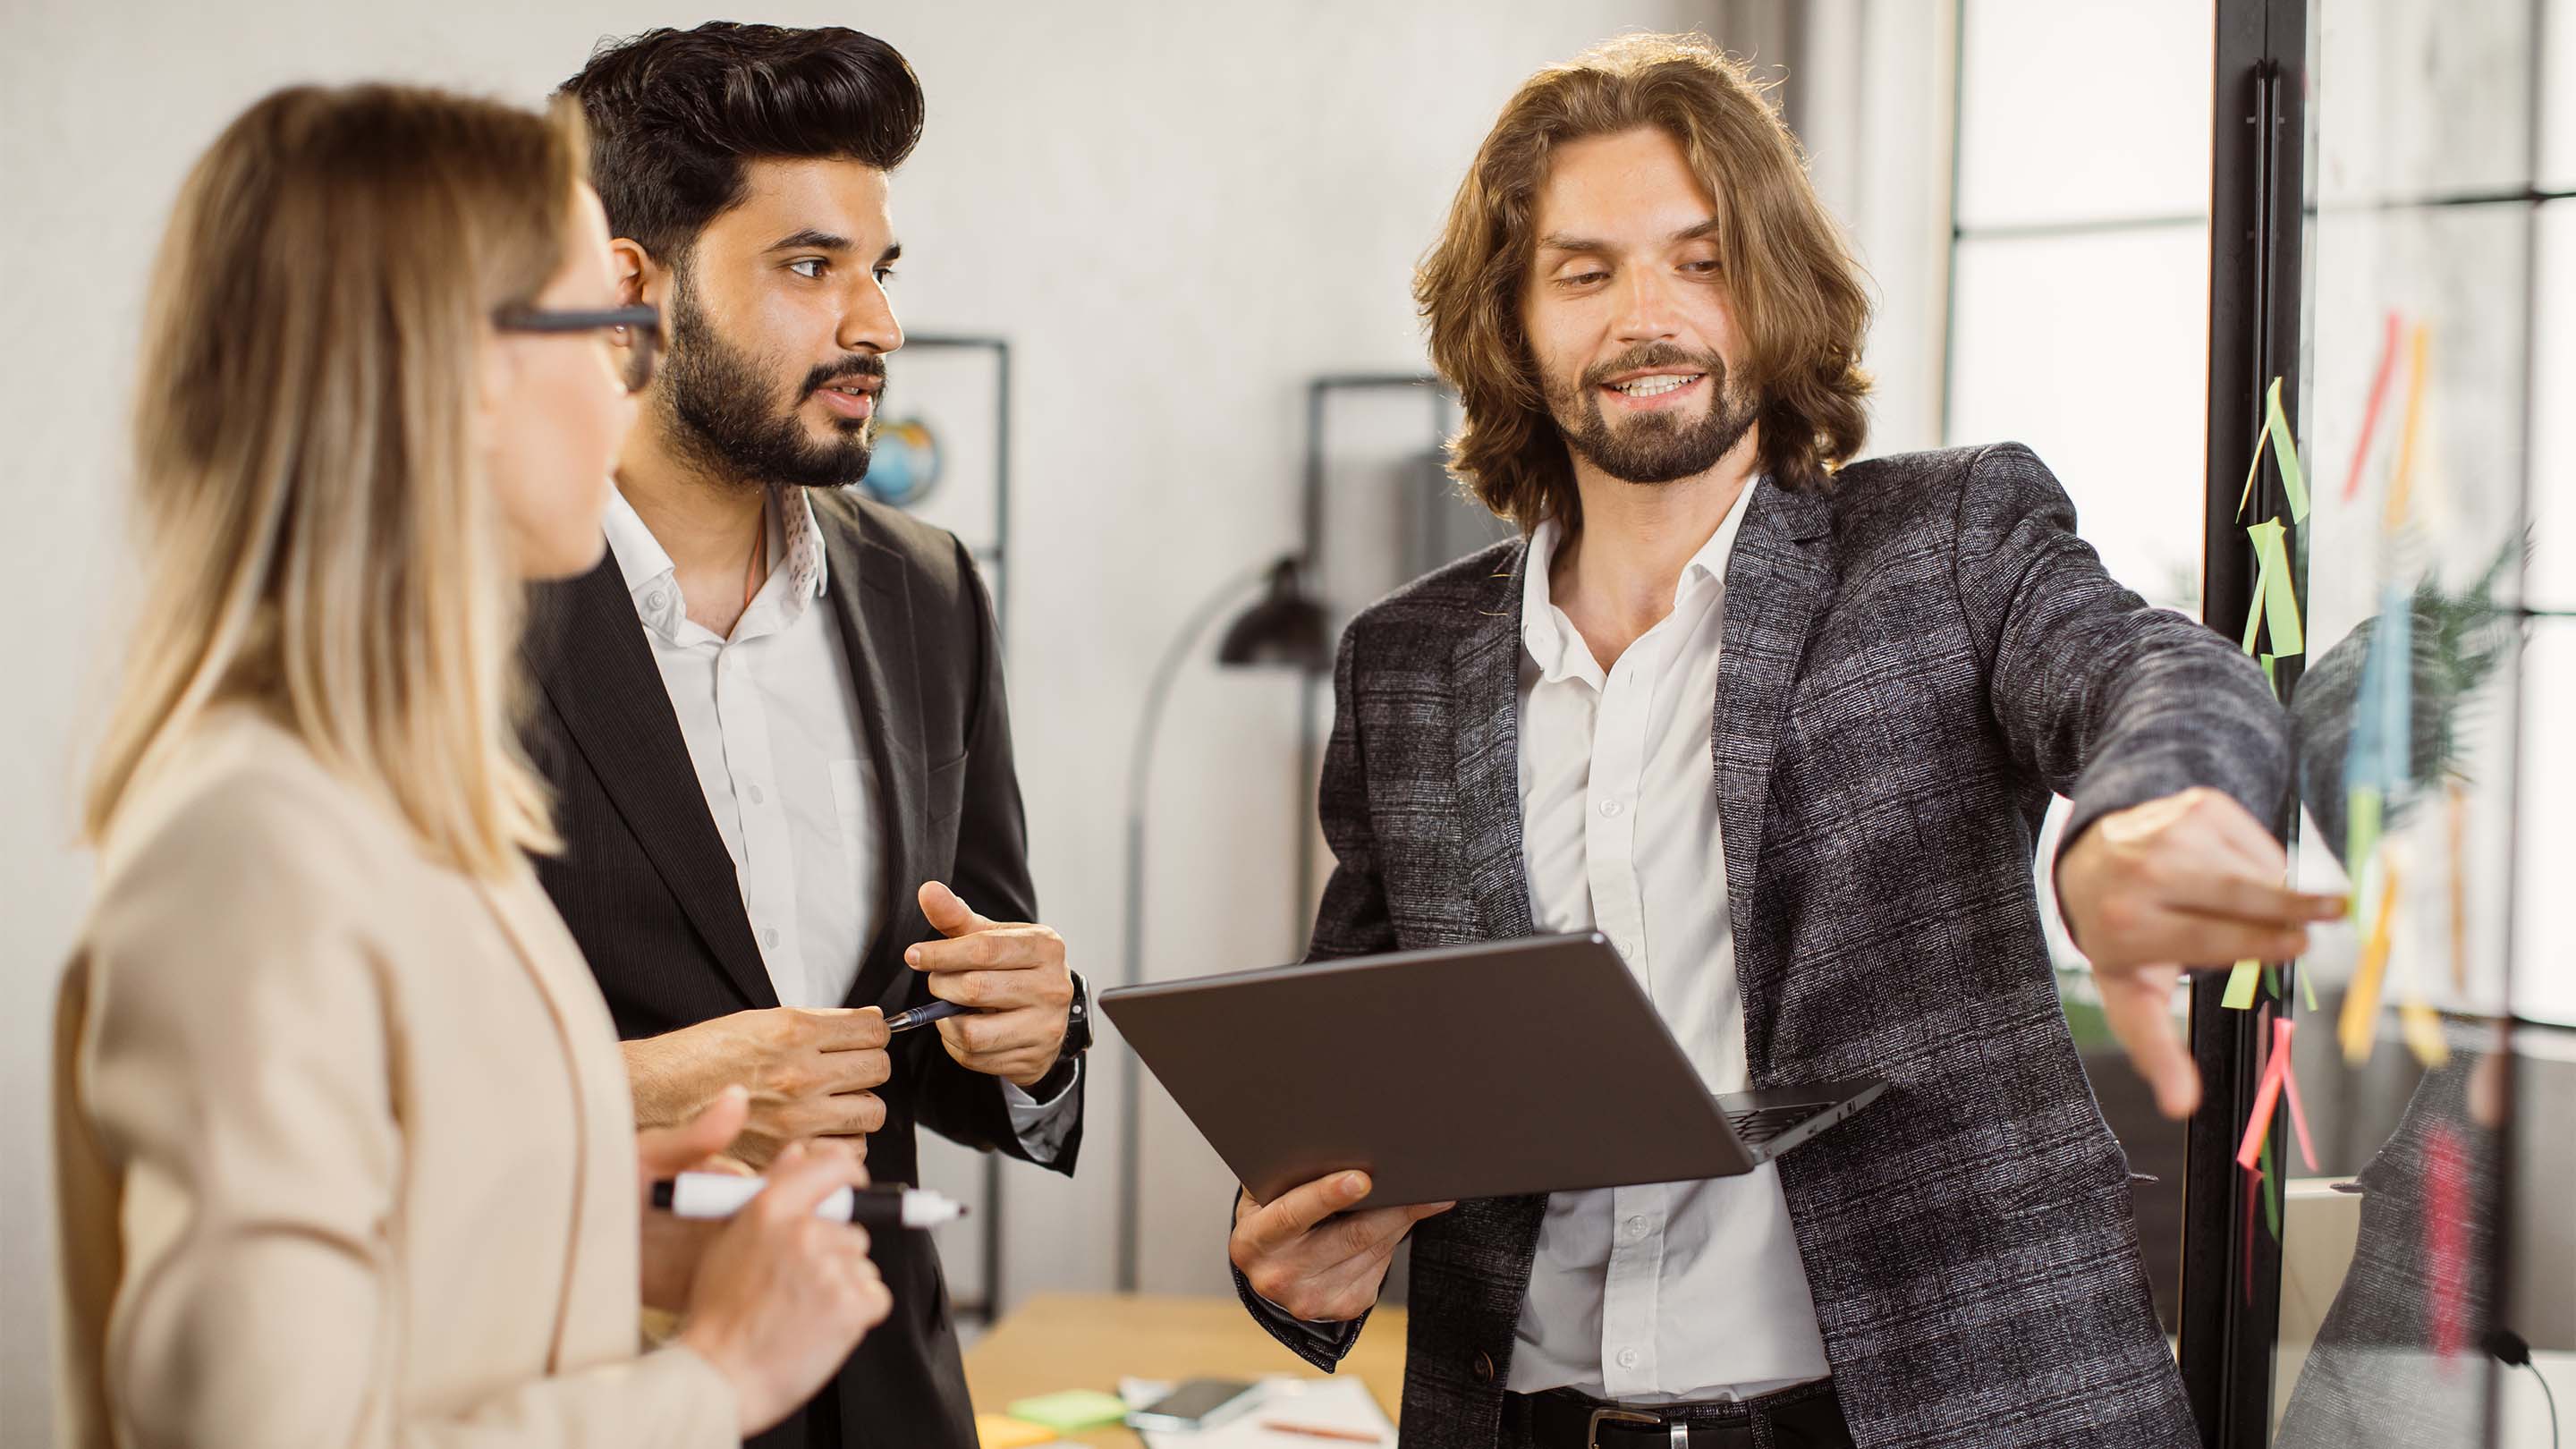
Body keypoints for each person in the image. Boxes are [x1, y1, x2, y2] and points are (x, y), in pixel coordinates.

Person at [1224, 35, 2346, 1449]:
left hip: (1938, 1415)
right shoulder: (1405, 662)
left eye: (1702, 262)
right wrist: (1296, 1250)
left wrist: (2137, 820)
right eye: (1586, 272)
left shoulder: (1945, 542)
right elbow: (1354, 1074)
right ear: (1507, 324)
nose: (1649, 316)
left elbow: (2150, 670)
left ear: (1775, 289)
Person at [53, 83, 891, 1449]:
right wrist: (717, 1377)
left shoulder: (409, 814)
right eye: (611, 328)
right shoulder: (254, 852)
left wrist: (577, 1229)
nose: (637, 380)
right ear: (455, 372)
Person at [523, 24, 1089, 1449]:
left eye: (877, 270)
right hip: (580, 1390)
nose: (876, 326)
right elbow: (361, 1094)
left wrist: (1034, 1037)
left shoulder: (931, 584)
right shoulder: (437, 615)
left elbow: (974, 976)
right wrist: (661, 1091)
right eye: (808, 266)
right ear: (629, 291)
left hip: (892, 1392)